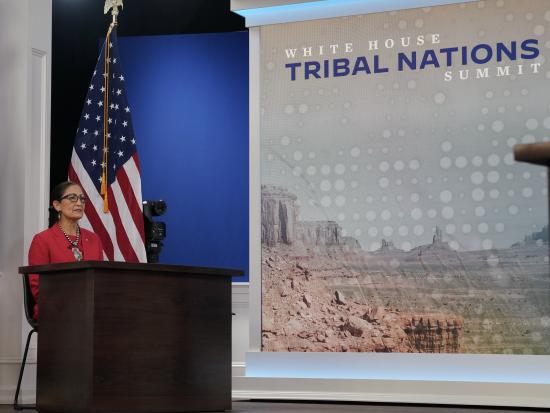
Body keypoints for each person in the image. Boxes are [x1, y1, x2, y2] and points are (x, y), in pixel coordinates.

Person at [28, 181, 104, 319]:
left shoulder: (94, 240)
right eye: (72, 198)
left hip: (90, 309)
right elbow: (38, 286)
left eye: (82, 199)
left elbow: (100, 280)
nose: (79, 203)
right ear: (57, 205)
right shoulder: (43, 240)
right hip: (56, 308)